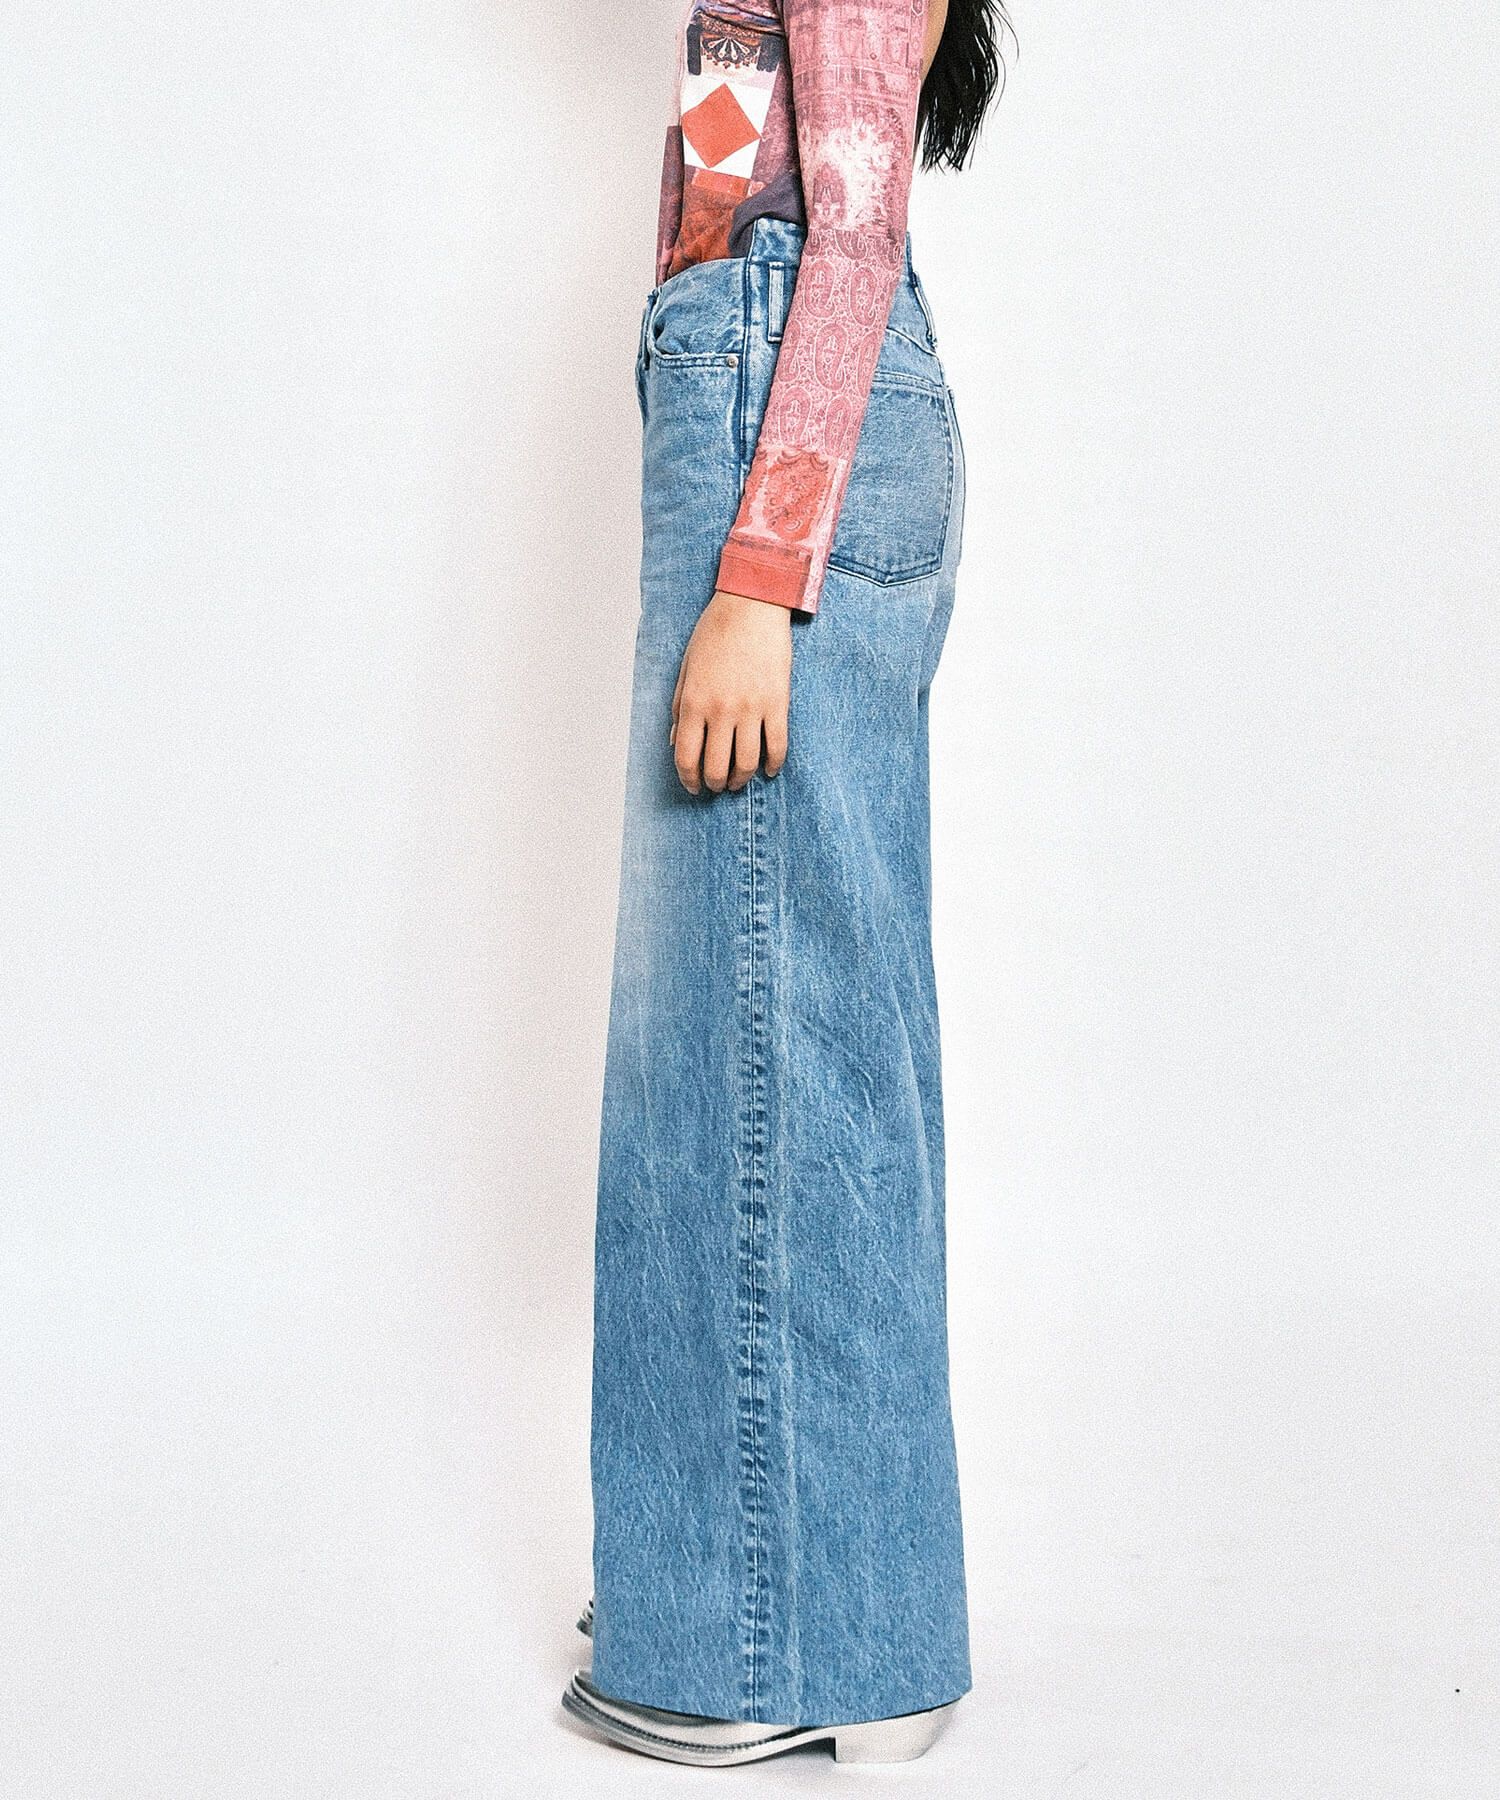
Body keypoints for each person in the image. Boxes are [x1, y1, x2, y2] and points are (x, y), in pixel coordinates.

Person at [561, 0, 1011, 1769]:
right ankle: (766, 1584)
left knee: (764, 1046)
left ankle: (785, 1636)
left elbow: (858, 222)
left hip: (781, 416)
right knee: (748, 1042)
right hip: (755, 387)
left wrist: (760, 576)